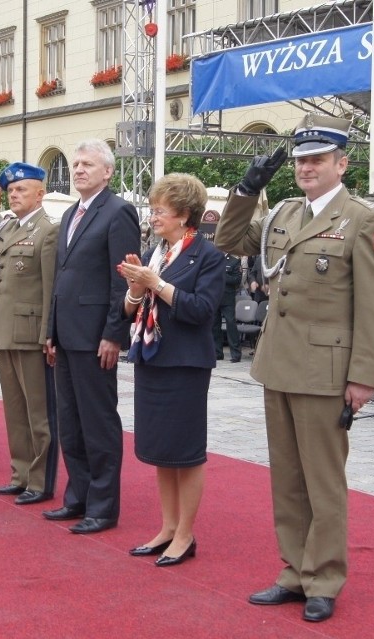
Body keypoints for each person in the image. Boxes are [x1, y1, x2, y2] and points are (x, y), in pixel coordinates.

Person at [214, 115, 374, 623]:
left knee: (323, 480)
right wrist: (248, 188)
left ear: (341, 163)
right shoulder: (285, 213)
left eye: (318, 159)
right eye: (301, 160)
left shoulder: (361, 219)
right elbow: (229, 239)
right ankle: (293, 571)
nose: (307, 167)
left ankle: (325, 577)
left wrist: (363, 377)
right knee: (287, 478)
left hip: (326, 368)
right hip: (280, 363)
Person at [118, 173, 225, 567]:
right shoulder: (156, 251)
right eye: (152, 208)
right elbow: (130, 309)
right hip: (152, 358)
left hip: (185, 364)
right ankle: (166, 527)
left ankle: (185, 534)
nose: (153, 215)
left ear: (183, 214)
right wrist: (135, 285)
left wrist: (157, 284)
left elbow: (201, 311)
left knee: (186, 453)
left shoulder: (208, 256)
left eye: (160, 209)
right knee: (161, 451)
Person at [43, 140, 140, 534]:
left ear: (108, 172)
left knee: (98, 423)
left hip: (96, 336)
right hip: (66, 336)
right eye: (76, 163)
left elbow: (125, 281)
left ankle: (103, 506)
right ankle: (77, 496)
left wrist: (114, 334)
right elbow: (60, 279)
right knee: (71, 422)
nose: (79, 169)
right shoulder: (70, 214)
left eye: (87, 164)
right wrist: (50, 331)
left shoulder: (119, 212)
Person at [0, 163, 60, 505]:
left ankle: (40, 479)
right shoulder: (5, 227)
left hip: (31, 331)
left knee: (38, 411)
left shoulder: (48, 230)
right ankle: (20, 473)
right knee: (15, 410)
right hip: (4, 329)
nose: (14, 195)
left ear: (40, 193)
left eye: (22, 190)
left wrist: (48, 335)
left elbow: (51, 288)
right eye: (11, 191)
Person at [212, 251, 243, 362]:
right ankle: (217, 353)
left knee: (231, 325)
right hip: (215, 297)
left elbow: (237, 280)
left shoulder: (234, 261)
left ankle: (236, 354)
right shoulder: (213, 259)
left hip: (227, 299)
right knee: (214, 326)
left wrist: (221, 275)